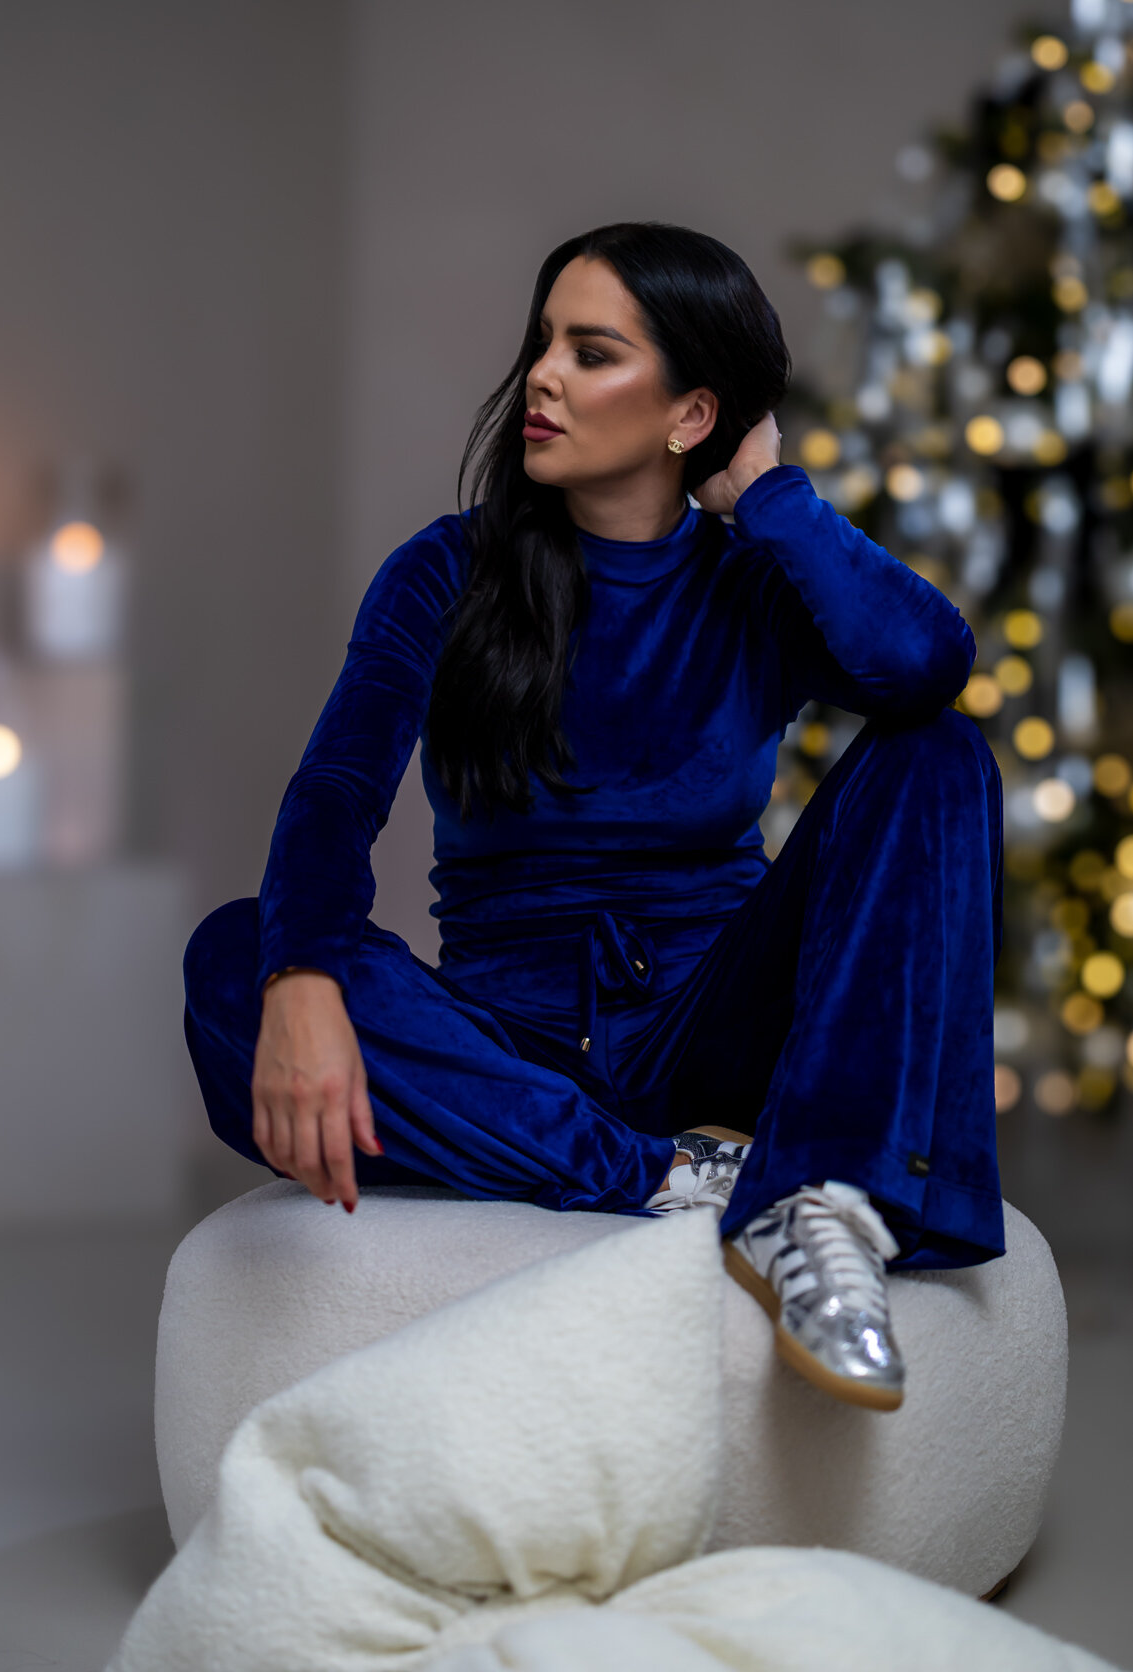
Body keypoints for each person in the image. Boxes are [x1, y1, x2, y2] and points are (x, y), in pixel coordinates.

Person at [183, 221, 1005, 1414]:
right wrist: (301, 969)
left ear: (689, 414)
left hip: (718, 1031)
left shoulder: (751, 586)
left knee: (937, 747)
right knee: (234, 959)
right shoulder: (446, 571)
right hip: (506, 1044)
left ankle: (806, 1181)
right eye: (544, 343)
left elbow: (926, 665)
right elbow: (335, 790)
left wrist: (770, 497)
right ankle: (684, 1177)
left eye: (593, 352)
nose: (543, 377)